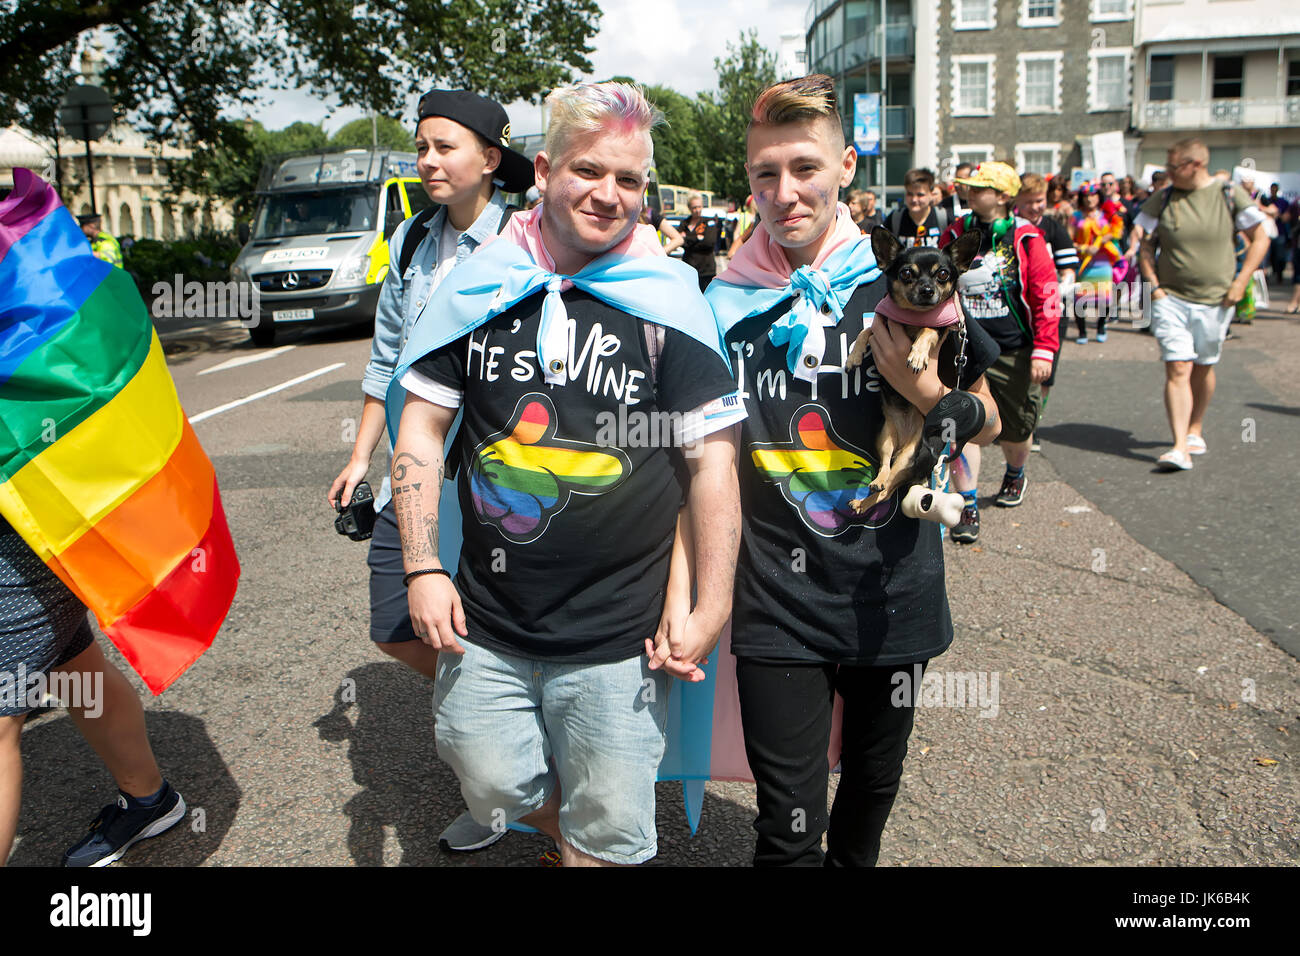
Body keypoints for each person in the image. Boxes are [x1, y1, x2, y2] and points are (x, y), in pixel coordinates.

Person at [388, 81, 743, 867]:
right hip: (489, 620)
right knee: (488, 778)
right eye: (588, 171)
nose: (608, 195)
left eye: (629, 180)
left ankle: (585, 847)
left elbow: (711, 462)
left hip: (619, 637)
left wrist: (711, 604)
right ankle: (562, 831)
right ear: (545, 170)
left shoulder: (668, 303)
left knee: (612, 831)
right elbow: (419, 424)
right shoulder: (479, 288)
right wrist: (421, 566)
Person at [704, 74, 1001, 867]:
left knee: (868, 798)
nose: (784, 192)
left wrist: (923, 388)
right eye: (765, 173)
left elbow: (988, 417)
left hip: (891, 592)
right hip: (774, 599)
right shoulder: (724, 301)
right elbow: (700, 459)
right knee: (787, 828)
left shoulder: (906, 287)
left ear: (846, 168)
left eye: (805, 167)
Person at [326, 88, 535, 854]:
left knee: (494, 614)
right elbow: (387, 359)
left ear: (490, 158)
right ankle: (501, 709)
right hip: (414, 472)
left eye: (445, 147)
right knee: (395, 619)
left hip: (499, 478)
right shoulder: (412, 242)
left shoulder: (530, 241)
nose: (428, 161)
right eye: (421, 147)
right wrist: (358, 457)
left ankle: (495, 792)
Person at [940, 161, 1061, 542]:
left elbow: (1047, 295)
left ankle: (1015, 472)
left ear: (1004, 196)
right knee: (960, 427)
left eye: (980, 189)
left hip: (1013, 348)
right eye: (969, 188)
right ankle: (967, 504)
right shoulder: (957, 231)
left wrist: (1044, 349)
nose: (971, 193)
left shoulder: (1026, 238)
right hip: (965, 343)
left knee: (1016, 429)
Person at [1134, 137, 1270, 471]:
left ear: (1195, 164)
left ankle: (1195, 427)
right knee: (1178, 365)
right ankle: (1179, 446)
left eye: (1173, 166)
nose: (1168, 172)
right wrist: (1154, 288)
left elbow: (1261, 238)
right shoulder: (1163, 198)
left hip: (1217, 299)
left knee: (1204, 365)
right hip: (1170, 298)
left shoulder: (1228, 194)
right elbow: (1144, 244)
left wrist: (1241, 282)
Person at [1015, 173, 1078, 451]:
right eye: (1028, 202)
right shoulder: (1009, 227)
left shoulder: (1053, 228)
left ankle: (1034, 424)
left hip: (1050, 308)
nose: (1035, 207)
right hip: (1017, 310)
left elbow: (1069, 270)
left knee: (1043, 375)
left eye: (1039, 201)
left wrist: (1060, 287)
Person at [1071, 183, 1125, 343]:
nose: (1090, 199)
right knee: (1080, 298)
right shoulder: (1076, 216)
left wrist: (1102, 240)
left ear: (1098, 197)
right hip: (1083, 263)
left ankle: (1101, 326)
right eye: (1086, 196)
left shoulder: (1106, 214)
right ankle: (1082, 332)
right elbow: (1068, 239)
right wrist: (1084, 248)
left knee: (1105, 297)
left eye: (1093, 195)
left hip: (1103, 263)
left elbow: (1117, 231)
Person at [886, 167, 949, 248]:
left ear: (931, 194)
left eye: (920, 195)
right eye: (910, 194)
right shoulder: (895, 218)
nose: (914, 199)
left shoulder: (944, 217)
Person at [679, 192, 723, 290]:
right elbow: (679, 241)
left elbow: (709, 242)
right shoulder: (684, 223)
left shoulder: (709, 222)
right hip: (688, 268)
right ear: (689, 208)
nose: (697, 210)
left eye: (699, 207)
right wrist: (697, 237)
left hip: (706, 270)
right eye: (694, 207)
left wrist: (688, 237)